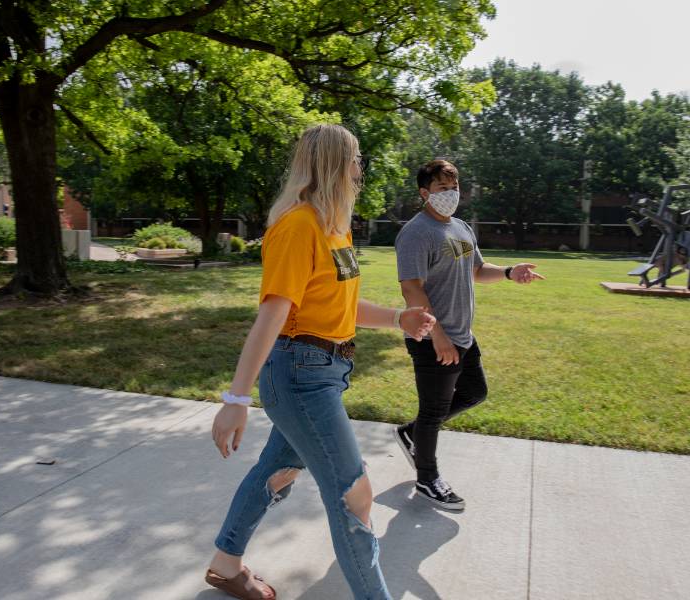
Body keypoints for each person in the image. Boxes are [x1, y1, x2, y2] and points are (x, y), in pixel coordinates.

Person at [206, 124, 435, 600]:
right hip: (299, 375)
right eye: (354, 159)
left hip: (326, 372)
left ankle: (226, 566)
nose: (360, 169)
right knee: (356, 494)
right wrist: (236, 398)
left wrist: (399, 318)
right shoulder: (298, 226)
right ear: (335, 165)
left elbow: (338, 306)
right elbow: (272, 316)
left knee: (278, 470)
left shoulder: (334, 228)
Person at [393, 159, 544, 511]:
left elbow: (476, 269)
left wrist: (508, 272)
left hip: (463, 333)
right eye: (442, 188)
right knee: (434, 411)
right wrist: (438, 334)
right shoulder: (416, 233)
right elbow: (411, 289)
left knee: (475, 392)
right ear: (424, 193)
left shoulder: (460, 228)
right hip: (433, 336)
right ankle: (427, 478)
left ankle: (412, 433)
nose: (450, 194)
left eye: (454, 187)